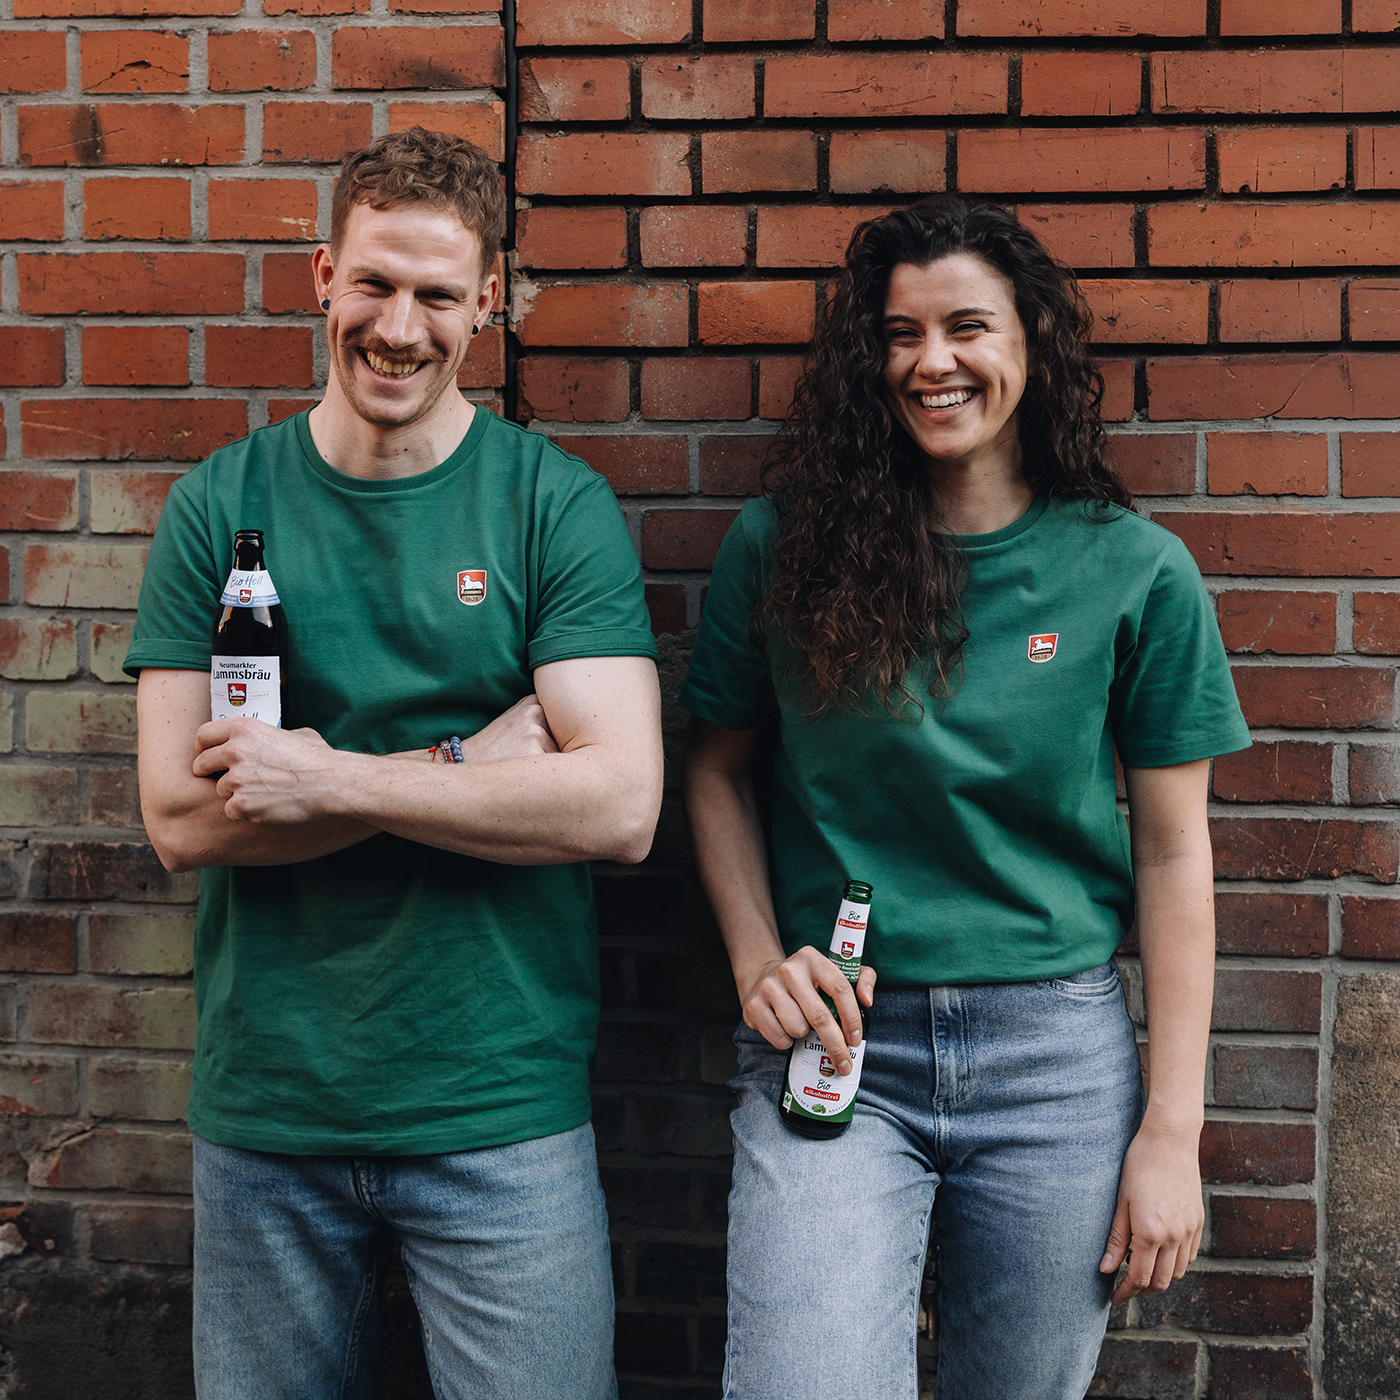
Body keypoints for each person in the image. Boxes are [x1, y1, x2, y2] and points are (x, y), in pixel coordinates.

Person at [680, 195, 1250, 1400]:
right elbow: (717, 769)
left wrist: (1170, 1128)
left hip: (1054, 1055)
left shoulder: (1133, 568)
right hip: (836, 1037)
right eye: (898, 334)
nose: (930, 361)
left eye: (966, 327)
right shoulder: (780, 546)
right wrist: (754, 961)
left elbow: (1170, 854)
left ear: (1030, 342)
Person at [127, 127, 663, 1400]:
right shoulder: (220, 505)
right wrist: (466, 761)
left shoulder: (549, 506)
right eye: (372, 283)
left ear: (487, 301)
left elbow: (619, 803)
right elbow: (182, 818)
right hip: (270, 1104)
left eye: (436, 293)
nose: (398, 327)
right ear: (324, 275)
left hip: (497, 1103)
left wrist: (328, 778)